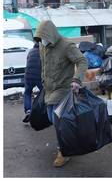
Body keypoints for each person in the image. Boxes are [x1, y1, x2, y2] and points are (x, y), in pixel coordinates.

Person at [34, 20, 88, 168]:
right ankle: (69, 141)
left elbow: (82, 61)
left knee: (59, 122)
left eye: (44, 38)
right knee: (53, 118)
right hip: (49, 90)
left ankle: (64, 152)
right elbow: (45, 65)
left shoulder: (66, 46)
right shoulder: (42, 46)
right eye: (40, 38)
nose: (42, 41)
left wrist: (77, 79)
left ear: (51, 35)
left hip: (63, 89)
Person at [22, 42, 43, 123]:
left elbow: (28, 62)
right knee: (44, 93)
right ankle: (41, 112)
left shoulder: (31, 51)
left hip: (28, 75)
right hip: (38, 76)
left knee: (27, 93)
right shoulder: (43, 51)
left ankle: (28, 111)